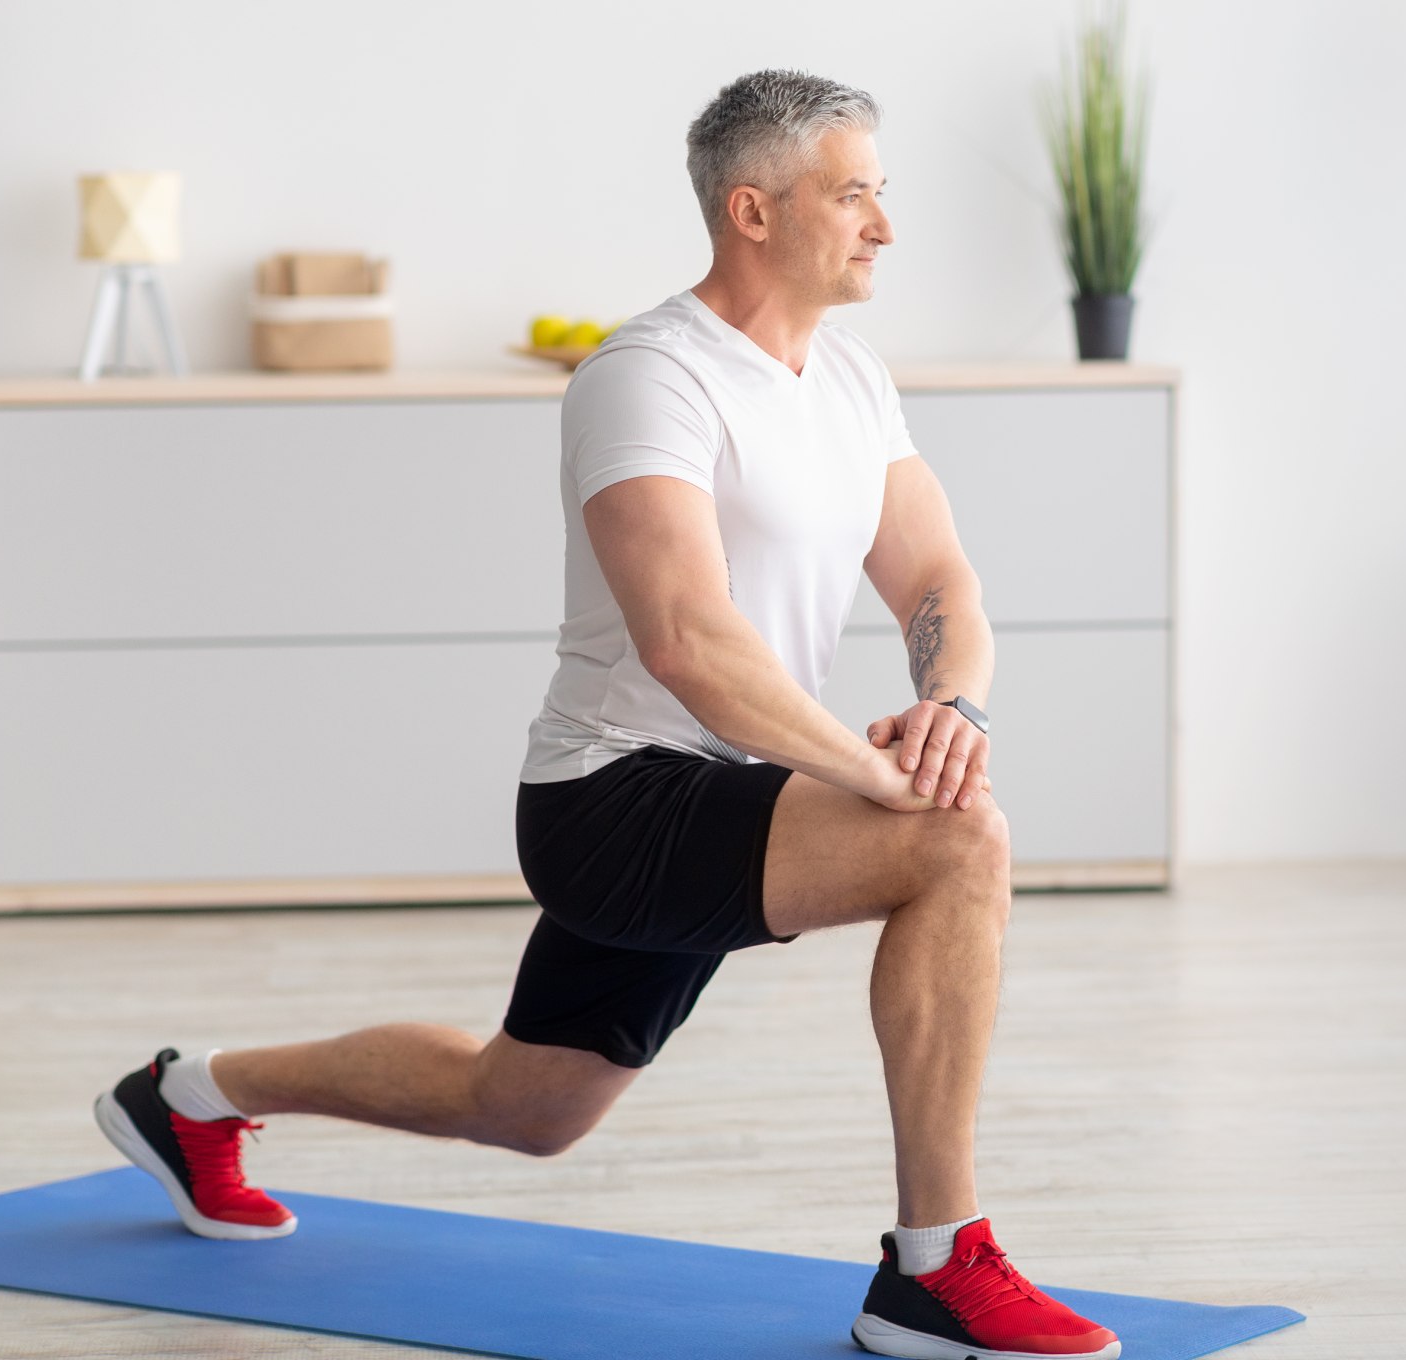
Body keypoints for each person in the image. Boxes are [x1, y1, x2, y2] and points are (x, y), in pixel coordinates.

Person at [94, 68, 1120, 1360]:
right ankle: (932, 1268)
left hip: (734, 791)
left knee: (522, 1105)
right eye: (854, 194)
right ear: (752, 210)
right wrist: (876, 779)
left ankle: (190, 1095)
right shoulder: (646, 377)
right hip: (615, 799)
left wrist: (948, 708)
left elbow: (937, 580)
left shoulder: (850, 384)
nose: (883, 225)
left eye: (880, 194)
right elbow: (685, 640)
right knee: (958, 843)